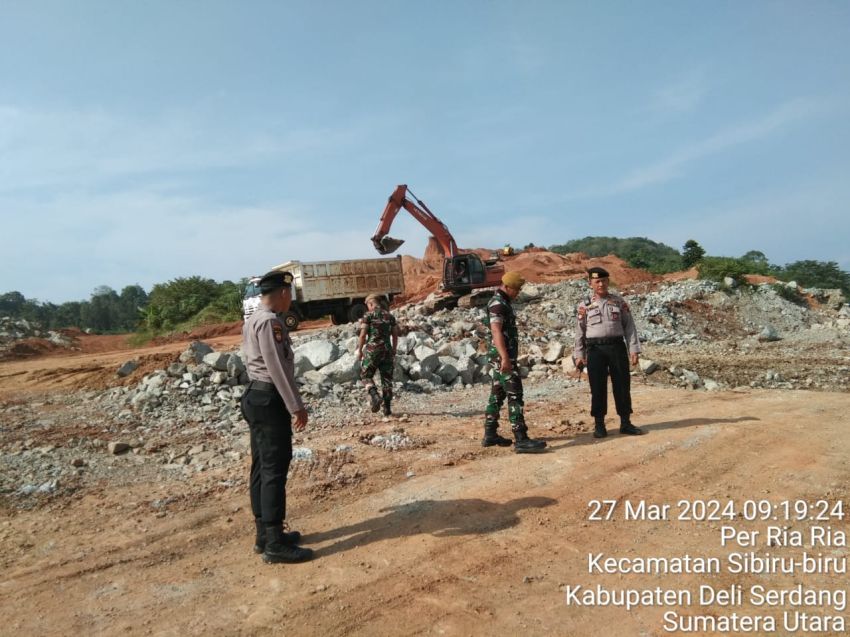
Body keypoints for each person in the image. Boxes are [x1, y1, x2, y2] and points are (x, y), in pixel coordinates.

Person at [241, 270, 313, 563]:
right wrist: (296, 405)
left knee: (261, 465)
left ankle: (264, 534)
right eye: (290, 294)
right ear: (283, 293)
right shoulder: (271, 322)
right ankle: (274, 544)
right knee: (274, 468)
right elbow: (277, 367)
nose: (290, 300)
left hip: (254, 396)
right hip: (269, 398)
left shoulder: (252, 320)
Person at [574, 267, 644, 438]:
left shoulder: (619, 302)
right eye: (597, 281)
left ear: (608, 281)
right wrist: (579, 354)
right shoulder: (584, 305)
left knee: (622, 386)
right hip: (595, 350)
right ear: (590, 283)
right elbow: (579, 331)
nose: (601, 284)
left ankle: (625, 422)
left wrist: (633, 349)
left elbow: (629, 327)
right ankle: (599, 425)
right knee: (597, 388)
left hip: (617, 348)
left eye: (604, 280)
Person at [482, 272, 547, 453]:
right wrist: (504, 358)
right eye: (516, 290)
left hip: (501, 358)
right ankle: (521, 438)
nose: (517, 293)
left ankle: (490, 434)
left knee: (497, 395)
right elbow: (496, 332)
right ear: (507, 287)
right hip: (503, 359)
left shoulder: (502, 302)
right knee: (515, 395)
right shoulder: (497, 304)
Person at [356, 293, 400, 416]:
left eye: (368, 305)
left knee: (365, 376)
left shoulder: (368, 316)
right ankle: (387, 408)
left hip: (372, 351)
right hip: (387, 350)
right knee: (387, 380)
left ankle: (375, 395)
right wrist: (394, 349)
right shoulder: (390, 316)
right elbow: (395, 334)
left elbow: (363, 335)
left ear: (370, 304)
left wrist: (360, 350)